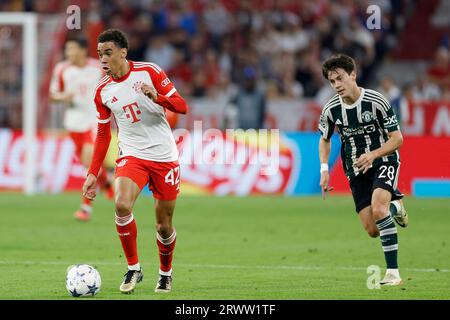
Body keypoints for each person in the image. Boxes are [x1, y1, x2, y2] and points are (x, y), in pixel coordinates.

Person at [82, 29, 188, 293]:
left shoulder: (149, 72)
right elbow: (104, 133)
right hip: (132, 155)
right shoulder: (102, 91)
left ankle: (165, 273)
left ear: (123, 52)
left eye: (108, 53)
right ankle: (133, 269)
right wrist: (93, 172)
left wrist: (157, 97)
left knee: (163, 226)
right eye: (99, 55)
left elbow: (181, 105)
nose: (103, 59)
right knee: (121, 204)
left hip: (164, 156)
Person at [318, 54, 409, 286]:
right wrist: (324, 169)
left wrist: (373, 154)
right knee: (372, 229)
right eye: (332, 81)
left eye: (340, 78)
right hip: (355, 168)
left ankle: (393, 273)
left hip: (383, 160)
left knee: (379, 210)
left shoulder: (377, 101)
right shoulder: (331, 109)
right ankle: (394, 205)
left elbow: (397, 139)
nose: (336, 85)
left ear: (353, 75)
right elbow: (325, 139)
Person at [50, 35, 114, 221]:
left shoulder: (98, 67)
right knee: (89, 165)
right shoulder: (62, 69)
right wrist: (63, 97)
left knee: (89, 159)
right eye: (67, 50)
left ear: (83, 50)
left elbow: (112, 86)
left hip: (94, 121)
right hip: (73, 123)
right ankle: (107, 183)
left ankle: (85, 208)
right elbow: (53, 96)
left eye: (71, 49)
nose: (68, 53)